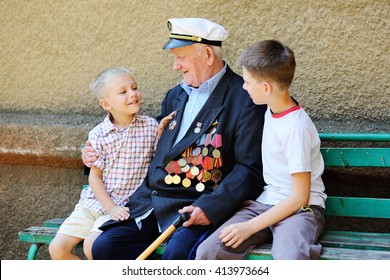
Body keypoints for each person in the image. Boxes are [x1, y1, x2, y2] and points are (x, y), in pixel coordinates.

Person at [82, 18, 267, 260]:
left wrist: (209, 208)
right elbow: (150, 147)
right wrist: (94, 157)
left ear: (208, 54)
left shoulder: (244, 98)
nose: (175, 66)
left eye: (180, 57)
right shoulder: (175, 95)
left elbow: (249, 169)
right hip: (152, 204)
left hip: (196, 206)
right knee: (105, 247)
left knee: (176, 255)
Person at [196, 40, 327, 260]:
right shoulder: (270, 107)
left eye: (247, 82)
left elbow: (300, 197)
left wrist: (249, 227)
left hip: (301, 210)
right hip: (264, 203)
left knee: (289, 256)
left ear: (266, 88)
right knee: (209, 251)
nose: (243, 86)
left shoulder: (296, 128)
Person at [49, 67, 173, 260]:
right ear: (106, 104)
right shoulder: (98, 134)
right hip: (94, 203)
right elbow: (95, 178)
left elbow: (159, 161)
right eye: (123, 92)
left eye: (134, 88)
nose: (133, 94)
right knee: (57, 249)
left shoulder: (150, 127)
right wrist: (110, 208)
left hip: (126, 206)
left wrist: (162, 134)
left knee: (93, 246)